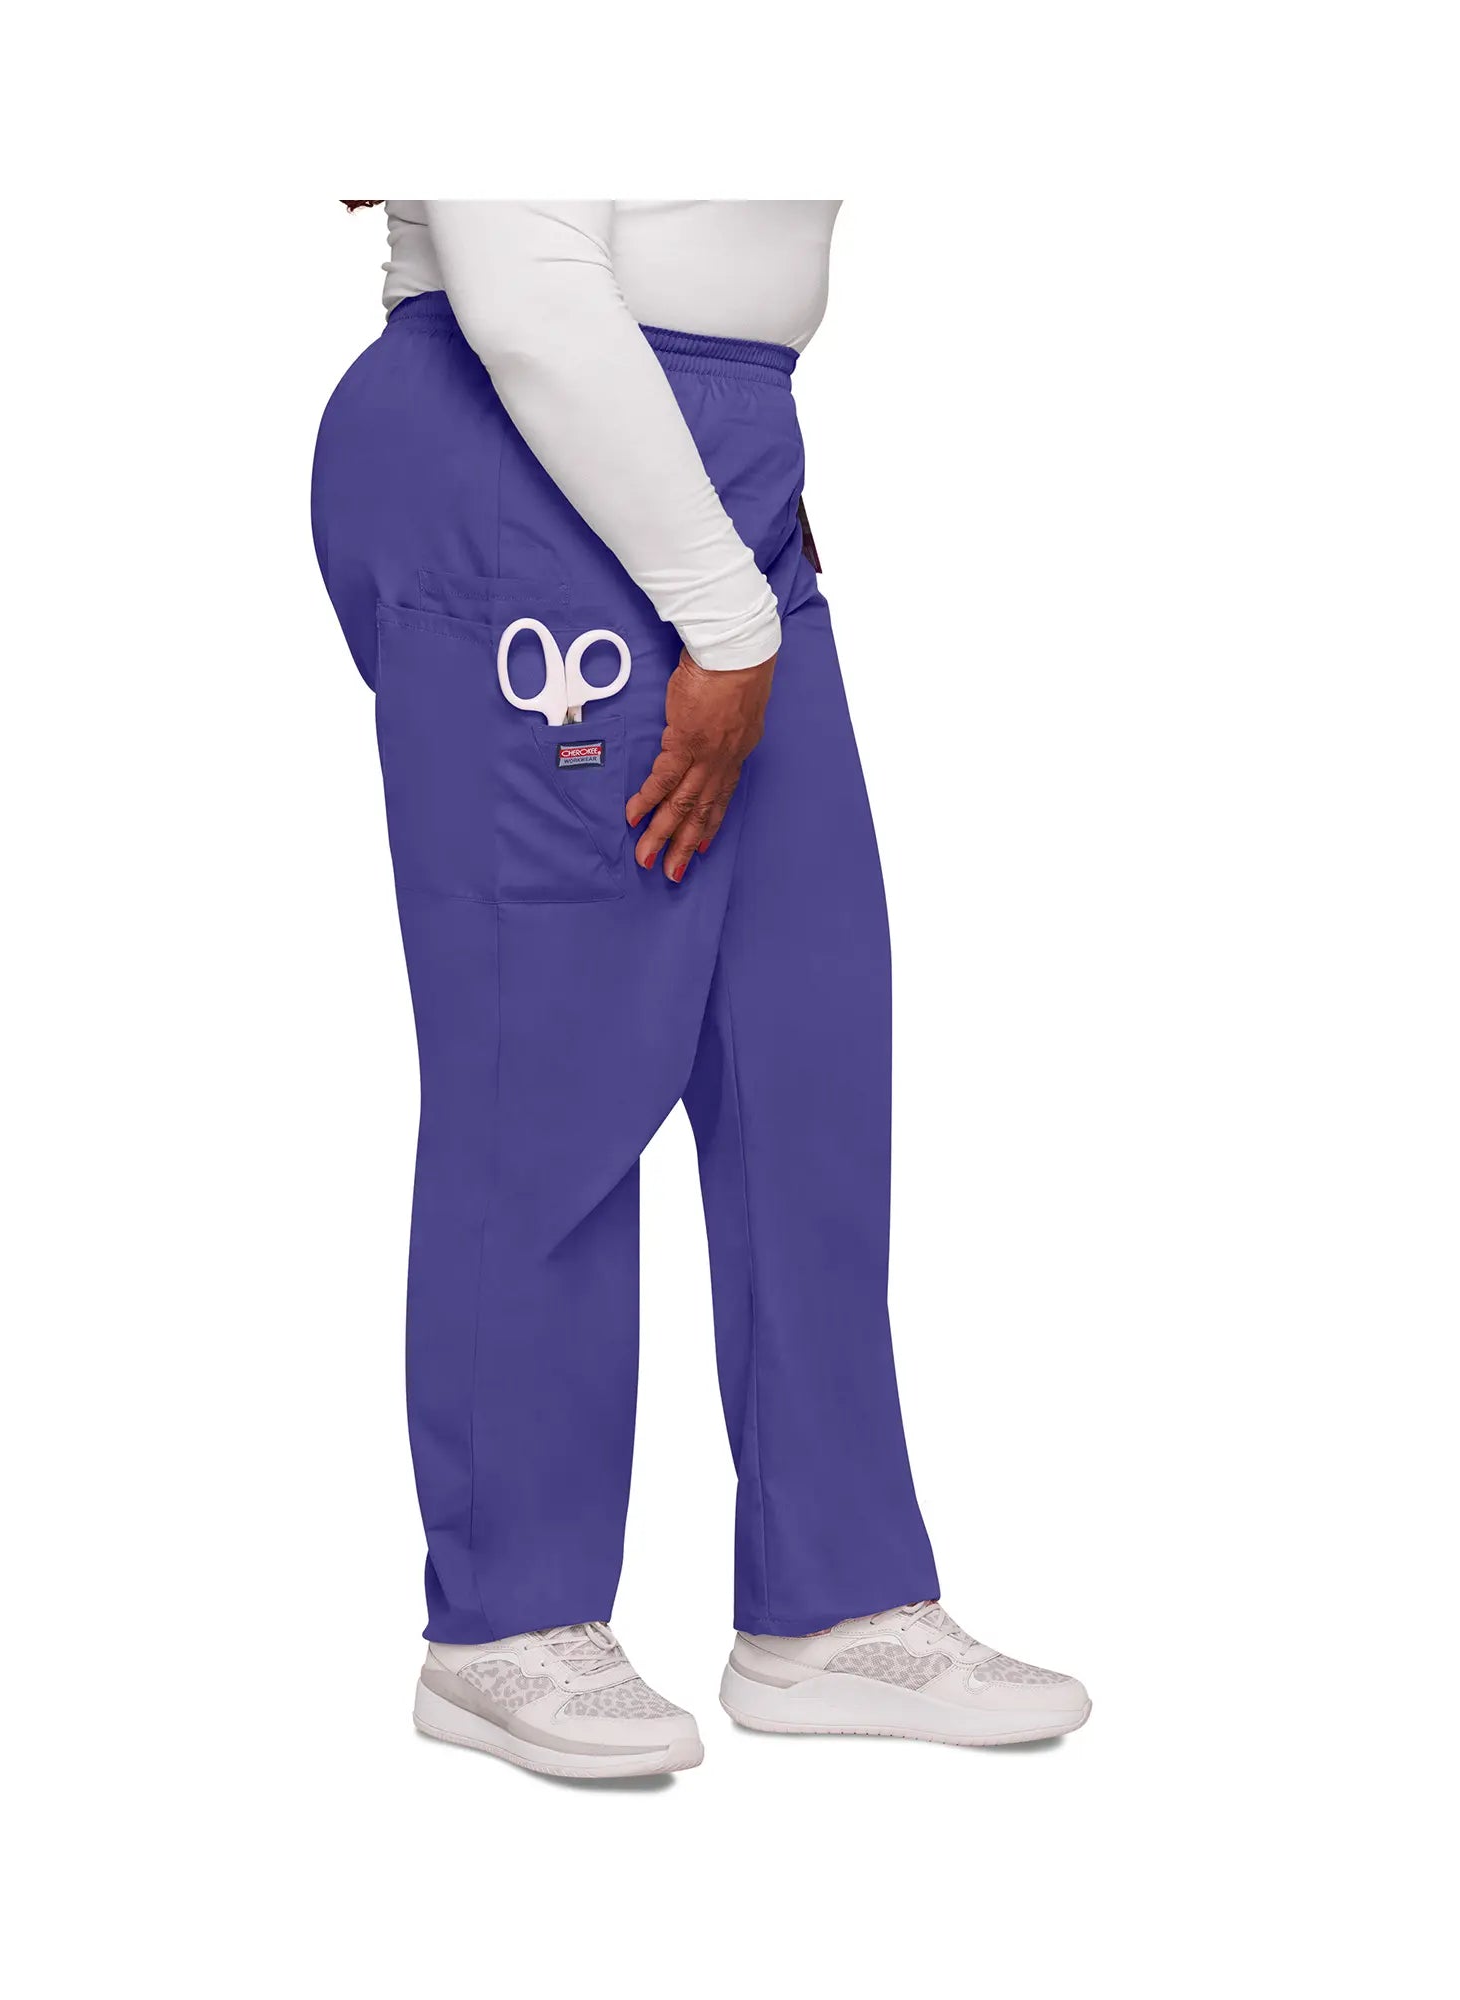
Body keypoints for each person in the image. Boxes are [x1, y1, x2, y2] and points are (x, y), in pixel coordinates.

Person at [312, 201, 1089, 1779]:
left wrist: (727, 512)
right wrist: (720, 599)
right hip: (534, 420)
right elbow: (524, 277)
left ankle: (832, 1601)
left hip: (699, 460)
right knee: (549, 1064)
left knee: (806, 1050)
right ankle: (507, 1624)